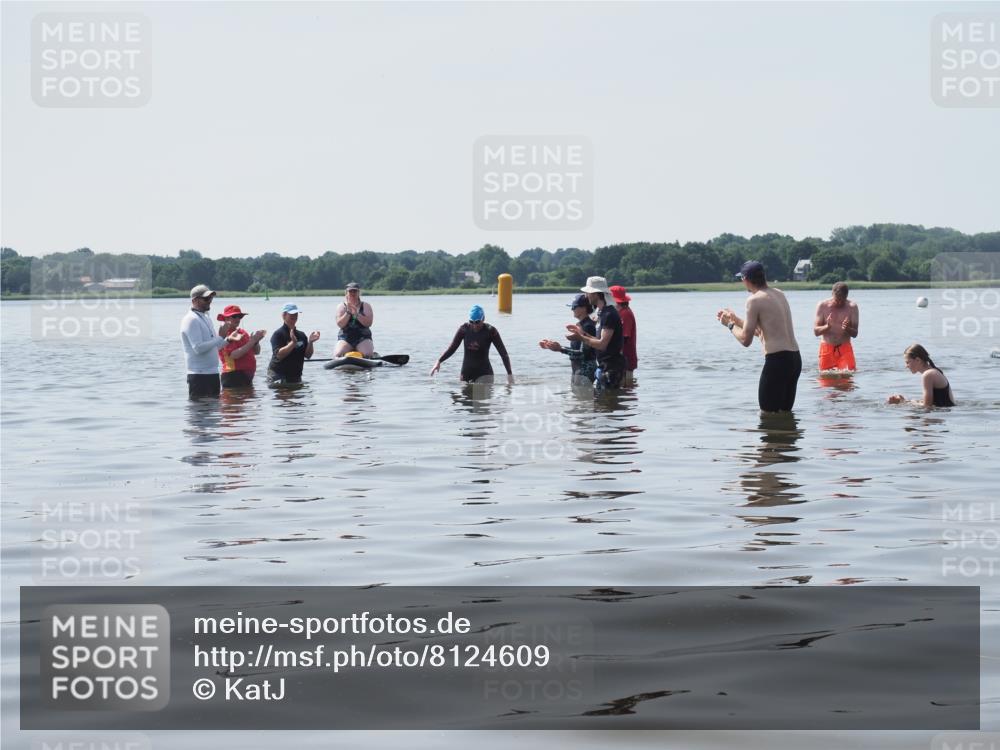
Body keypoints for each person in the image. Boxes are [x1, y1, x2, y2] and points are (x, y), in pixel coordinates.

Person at [716, 261, 802, 412]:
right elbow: (761, 332)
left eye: (741, 279)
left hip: (777, 361)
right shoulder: (779, 293)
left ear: (745, 279)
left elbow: (745, 340)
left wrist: (729, 325)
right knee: (785, 414)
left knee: (767, 414)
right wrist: (735, 320)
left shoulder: (753, 300)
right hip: (794, 360)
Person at [180, 284, 241, 399]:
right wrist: (220, 337)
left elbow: (214, 347)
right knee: (200, 410)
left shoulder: (206, 318)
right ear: (195, 300)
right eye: (206, 298)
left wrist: (228, 339)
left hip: (212, 374)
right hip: (199, 376)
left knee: (214, 410)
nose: (210, 301)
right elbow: (198, 348)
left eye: (211, 298)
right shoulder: (191, 319)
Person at [565, 276, 627, 389]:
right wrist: (582, 333)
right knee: (601, 399)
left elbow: (602, 344)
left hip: (612, 368)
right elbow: (599, 340)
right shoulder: (602, 313)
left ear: (595, 294)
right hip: (605, 366)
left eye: (587, 292)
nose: (586, 296)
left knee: (606, 400)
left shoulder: (609, 314)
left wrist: (581, 337)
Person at [430, 304, 514, 384]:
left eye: (477, 322)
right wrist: (439, 361)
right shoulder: (464, 329)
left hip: (485, 375)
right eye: (471, 322)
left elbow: (503, 353)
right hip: (467, 374)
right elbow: (452, 348)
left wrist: (509, 375)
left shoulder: (490, 331)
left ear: (483, 319)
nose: (474, 325)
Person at [539, 293, 597, 382]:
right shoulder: (581, 325)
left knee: (581, 391)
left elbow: (583, 354)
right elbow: (576, 350)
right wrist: (552, 346)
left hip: (585, 370)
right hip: (578, 370)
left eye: (574, 307)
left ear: (584, 308)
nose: (571, 309)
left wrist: (560, 349)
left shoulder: (588, 326)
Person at [888, 344, 955, 407]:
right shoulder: (935, 371)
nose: (906, 366)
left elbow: (927, 406)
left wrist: (903, 403)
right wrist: (906, 401)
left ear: (918, 360)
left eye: (907, 362)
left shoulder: (928, 375)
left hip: (941, 413)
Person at [267, 303, 320, 384]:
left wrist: (310, 342)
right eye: (291, 314)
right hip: (278, 375)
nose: (294, 316)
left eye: (296, 314)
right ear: (284, 315)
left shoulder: (301, 335)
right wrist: (293, 343)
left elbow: (308, 355)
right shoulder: (278, 334)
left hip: (295, 376)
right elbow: (279, 355)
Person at [216, 305, 267, 388]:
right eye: (234, 316)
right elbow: (234, 355)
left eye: (239, 316)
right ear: (226, 318)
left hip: (246, 375)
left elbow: (256, 352)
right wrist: (252, 341)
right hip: (233, 375)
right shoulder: (224, 335)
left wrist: (256, 341)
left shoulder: (242, 332)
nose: (237, 319)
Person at [813, 281, 859, 372]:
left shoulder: (852, 307)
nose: (839, 303)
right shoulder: (823, 306)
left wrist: (847, 328)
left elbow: (855, 334)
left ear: (846, 296)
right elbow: (816, 332)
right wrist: (827, 326)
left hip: (845, 348)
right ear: (832, 294)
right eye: (837, 299)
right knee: (825, 378)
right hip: (827, 348)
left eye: (842, 300)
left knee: (848, 377)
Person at [334, 282, 375, 357]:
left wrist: (357, 314)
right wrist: (348, 313)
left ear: (359, 293)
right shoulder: (341, 306)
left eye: (355, 291)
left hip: (363, 337)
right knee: (338, 354)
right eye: (350, 291)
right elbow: (340, 324)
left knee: (367, 354)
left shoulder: (366, 306)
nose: (353, 293)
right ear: (346, 293)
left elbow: (368, 323)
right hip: (346, 338)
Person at [611, 285, 638, 384]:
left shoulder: (625, 313)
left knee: (625, 387)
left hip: (625, 359)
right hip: (622, 359)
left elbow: (624, 337)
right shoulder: (620, 312)